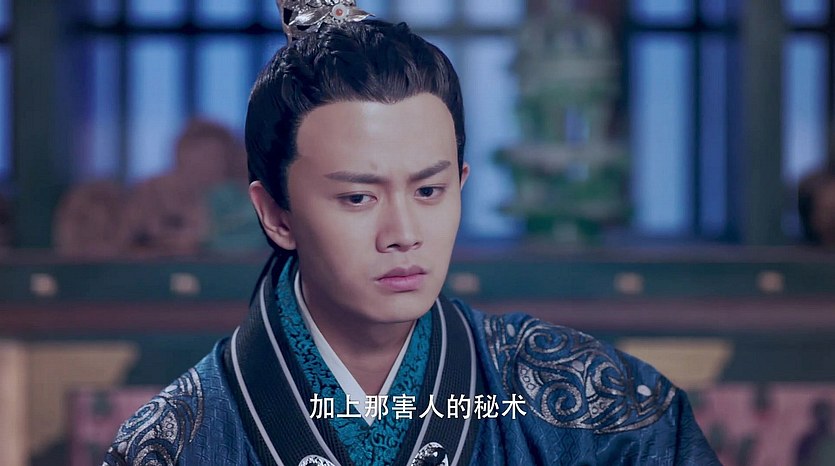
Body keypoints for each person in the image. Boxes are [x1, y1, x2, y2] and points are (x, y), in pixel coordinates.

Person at [102, 1, 719, 464]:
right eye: (357, 197)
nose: (403, 234)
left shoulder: (603, 411)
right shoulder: (173, 444)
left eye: (429, 191)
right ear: (276, 215)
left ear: (462, 184)